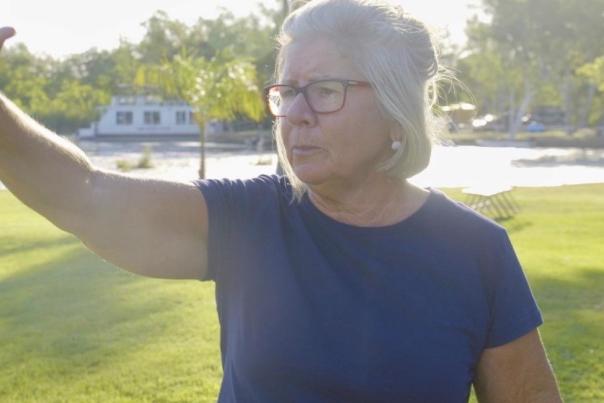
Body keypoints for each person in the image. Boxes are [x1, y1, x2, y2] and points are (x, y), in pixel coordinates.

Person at [0, 0, 562, 401]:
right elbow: (83, 195)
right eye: (287, 92)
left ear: (395, 110)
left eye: (324, 90)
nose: (295, 114)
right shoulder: (248, 221)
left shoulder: (477, 252)